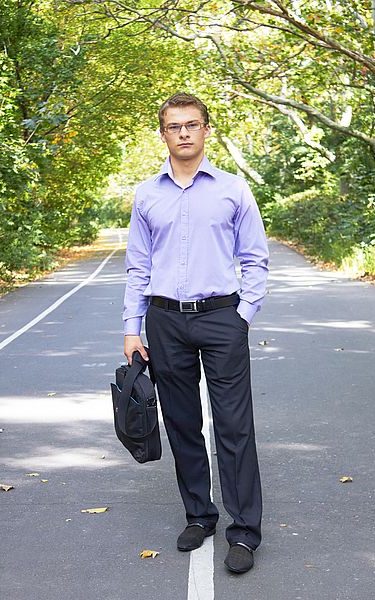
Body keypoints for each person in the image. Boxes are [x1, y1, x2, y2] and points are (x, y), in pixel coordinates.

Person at [122, 92, 269, 574]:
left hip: (222, 318)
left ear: (207, 130)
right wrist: (132, 326)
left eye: (192, 124)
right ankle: (199, 515)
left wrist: (242, 314)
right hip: (165, 322)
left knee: (233, 426)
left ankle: (244, 531)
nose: (183, 132)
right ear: (162, 134)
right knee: (183, 424)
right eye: (173, 126)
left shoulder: (233, 189)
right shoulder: (147, 194)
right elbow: (138, 266)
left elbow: (255, 258)